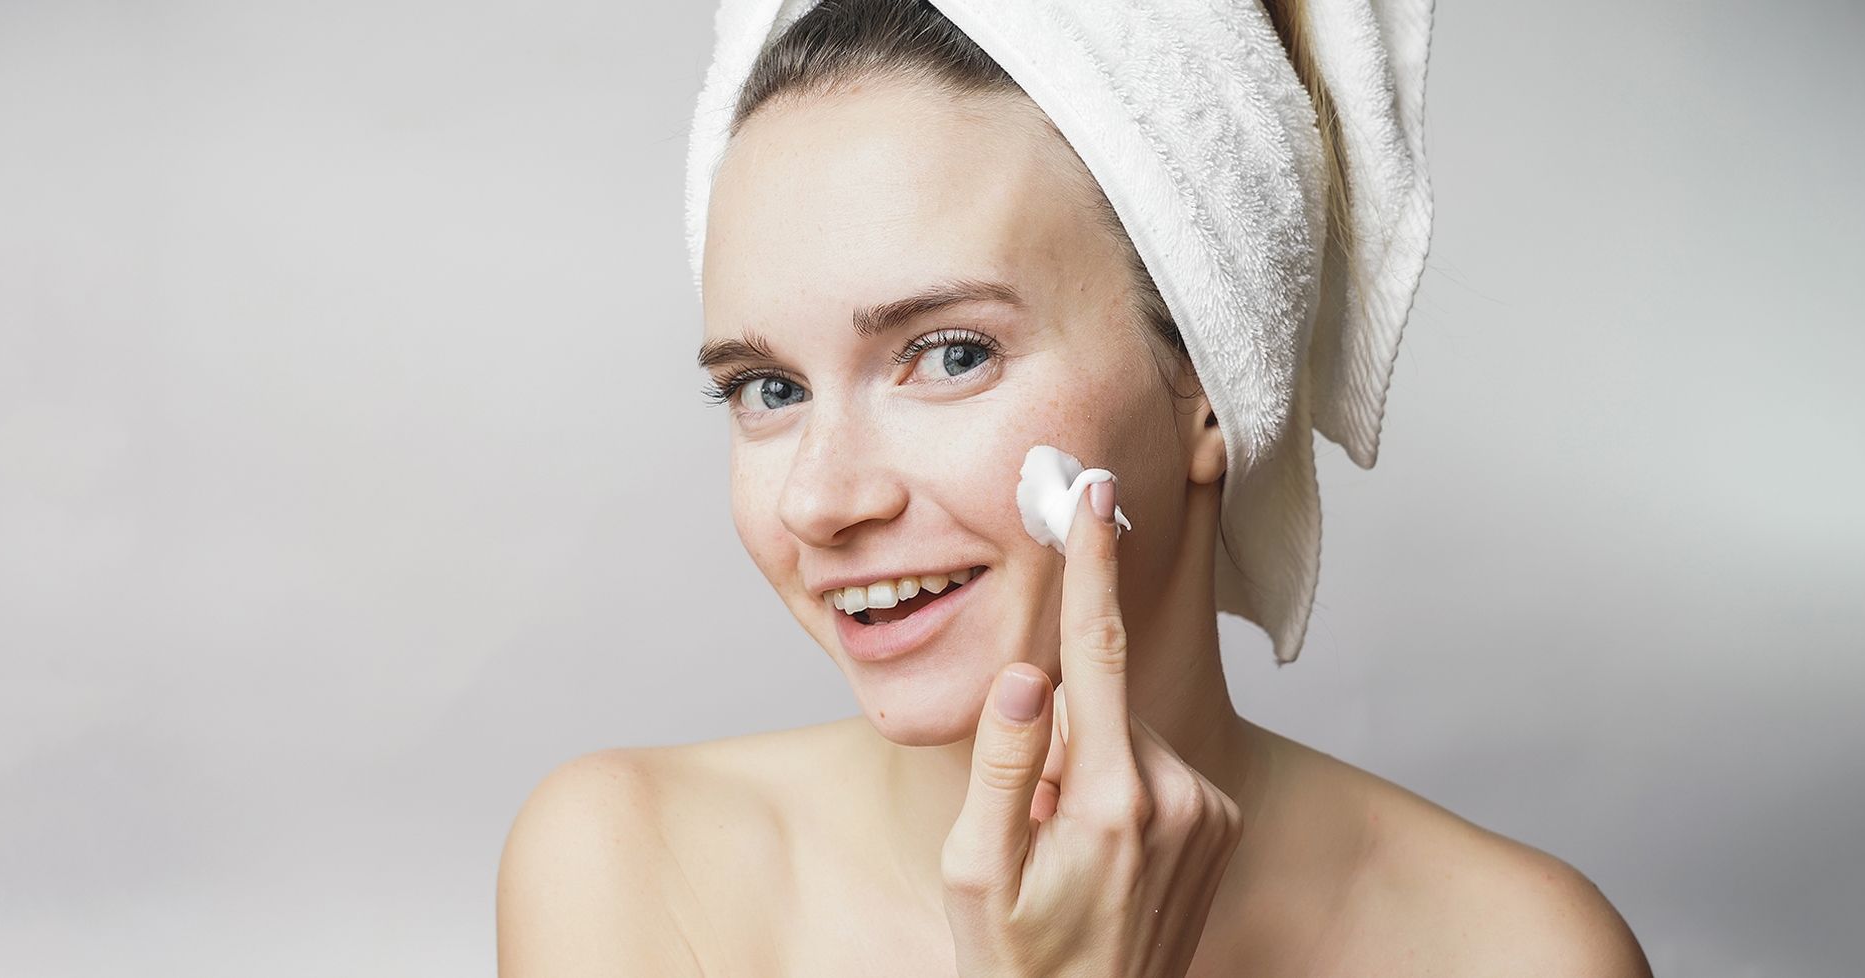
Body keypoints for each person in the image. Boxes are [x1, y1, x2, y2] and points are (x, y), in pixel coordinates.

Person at [500, 1, 1653, 973]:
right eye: (765, 388)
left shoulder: (1516, 950)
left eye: (949, 354)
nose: (820, 501)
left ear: (1209, 376)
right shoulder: (632, 874)